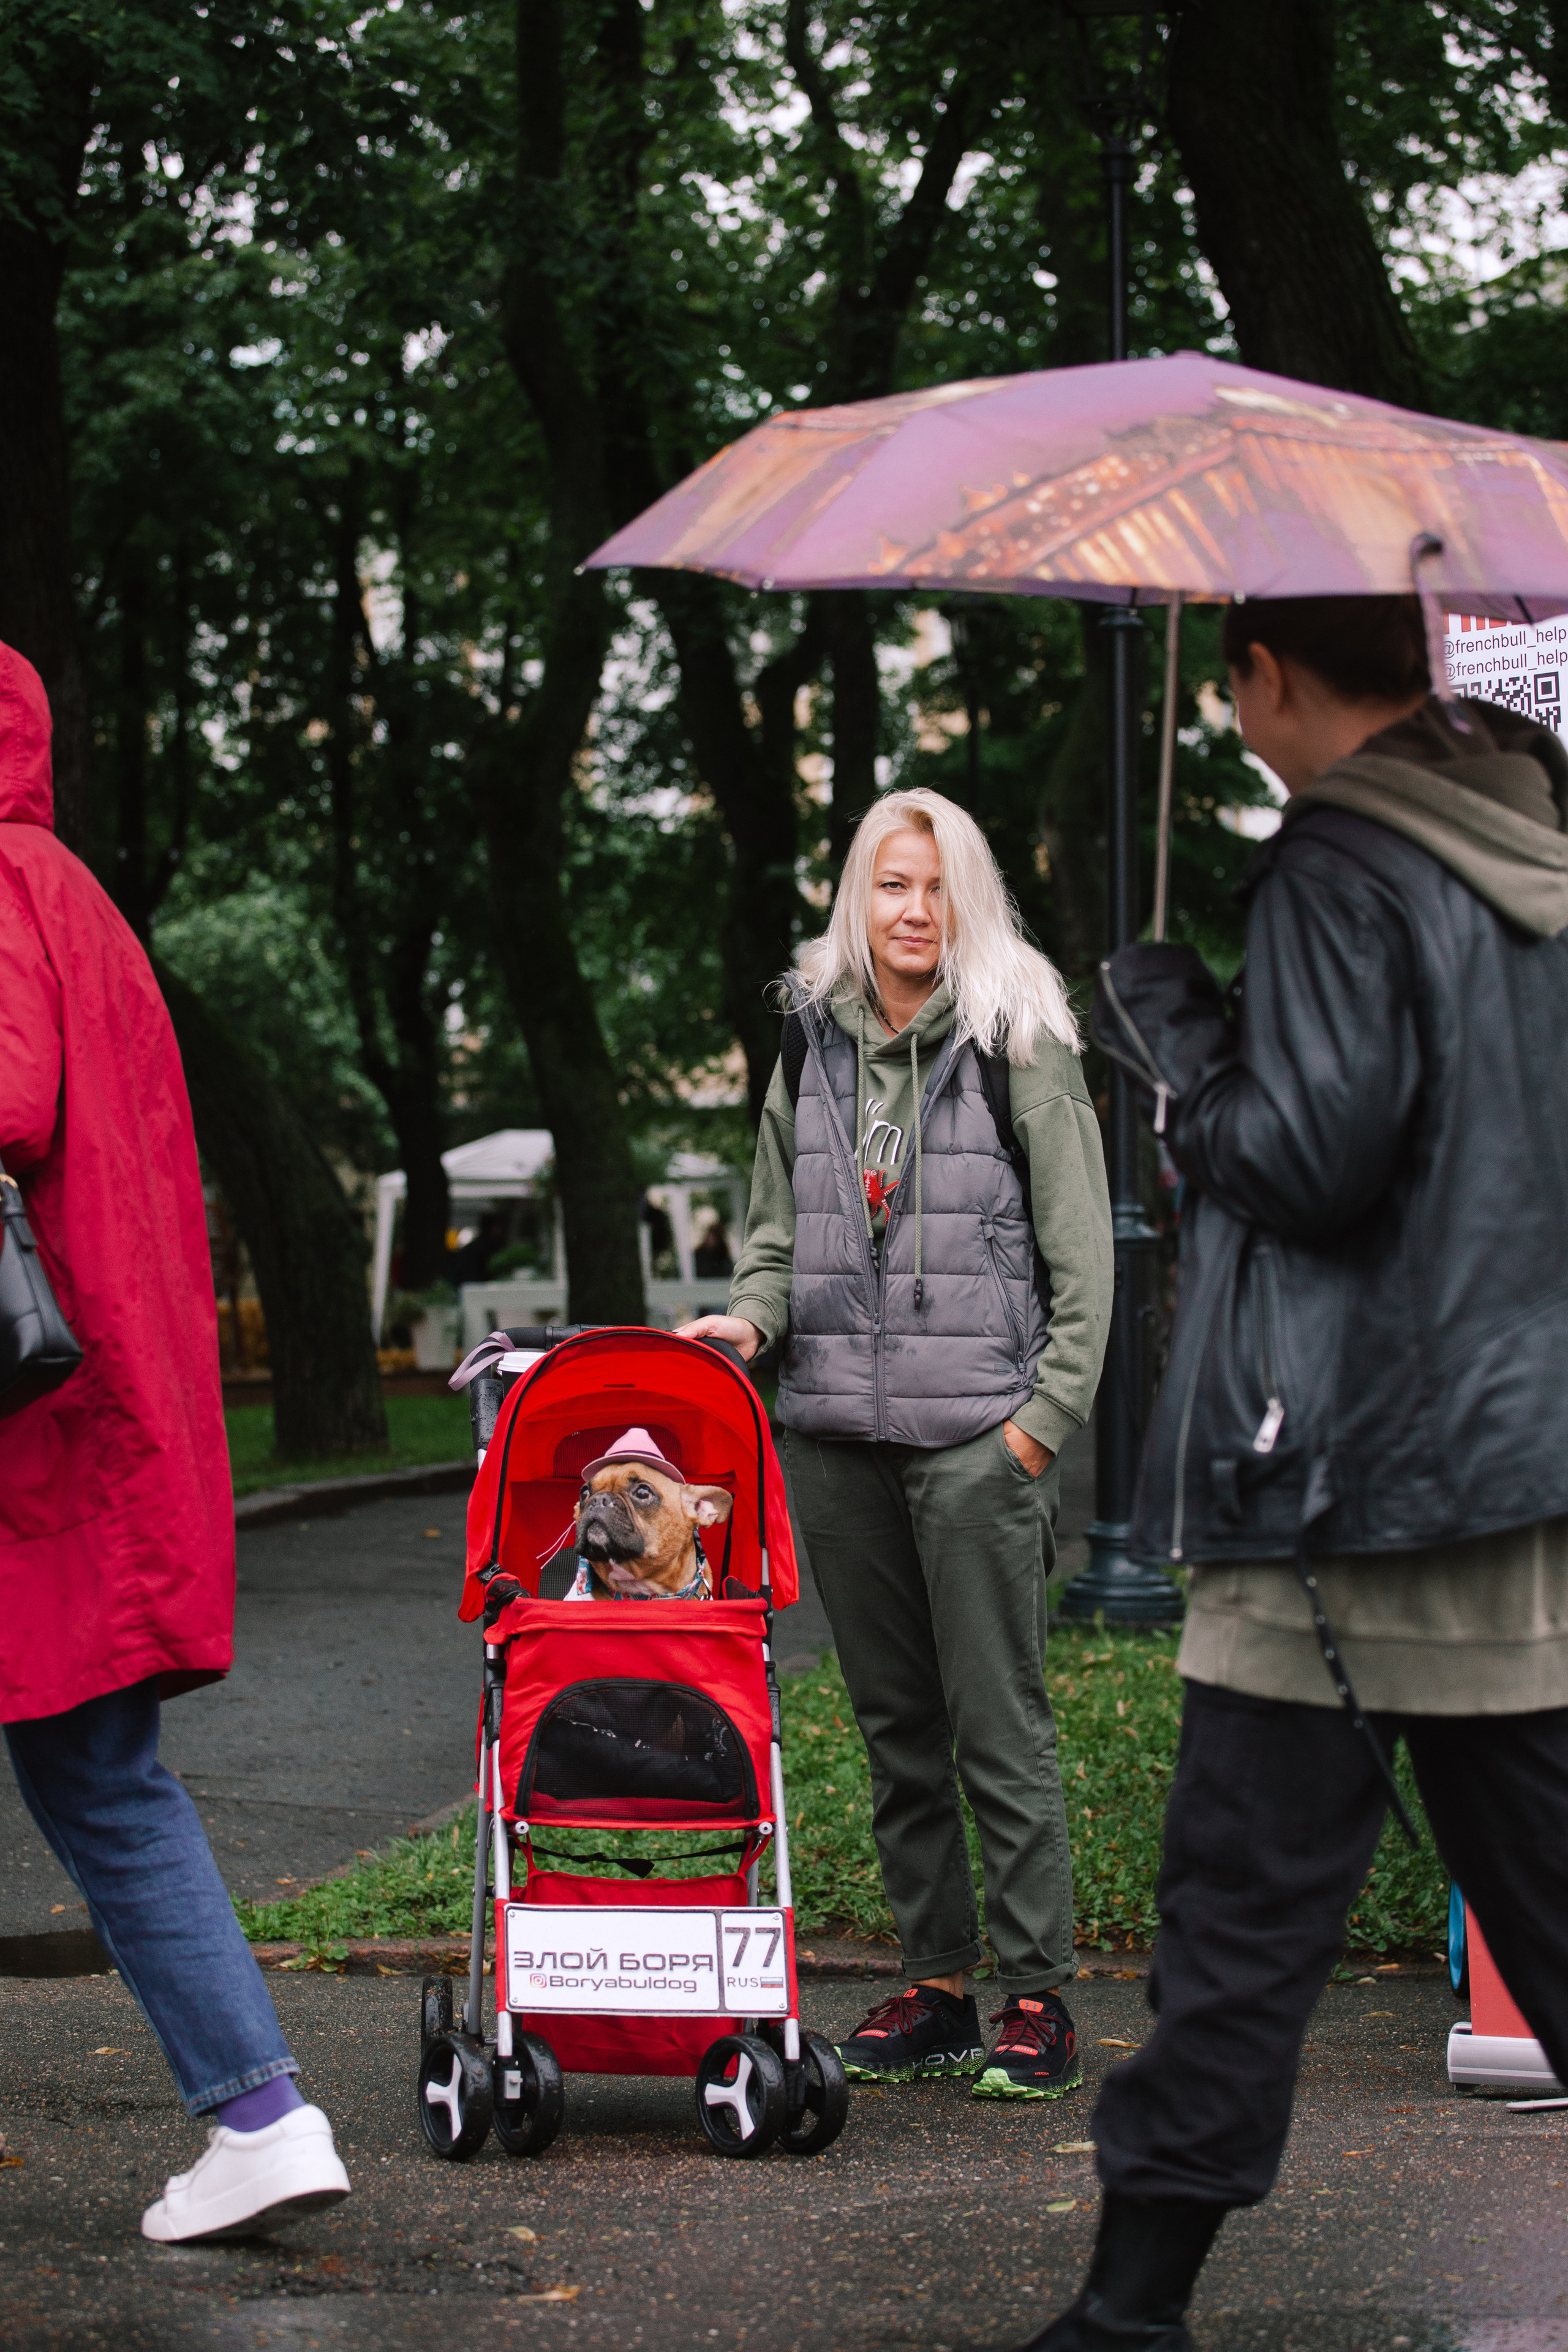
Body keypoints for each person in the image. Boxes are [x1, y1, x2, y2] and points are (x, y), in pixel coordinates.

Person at [1006, 594, 1568, 2352]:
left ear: (1266, 672)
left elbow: (1309, 1159)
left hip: (1333, 1481)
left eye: (1237, 691)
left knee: (1238, 1921)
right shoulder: (1534, 831)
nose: (1238, 724)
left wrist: (1179, 1039)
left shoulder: (1343, 855)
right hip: (1512, 1470)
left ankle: (1127, 2314)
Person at [680, 787, 1112, 2100]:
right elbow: (773, 1231)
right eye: (890, 885)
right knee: (895, 1731)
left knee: (998, 1727)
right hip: (832, 1436)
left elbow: (1081, 1259)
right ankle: (934, 1987)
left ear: (963, 899)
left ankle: (1035, 1997)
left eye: (935, 887)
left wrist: (1035, 1432)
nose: (912, 911)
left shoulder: (1012, 1033)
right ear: (854, 899)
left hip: (975, 1439)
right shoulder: (808, 1038)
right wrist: (747, 1329)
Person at [0, 646, 352, 2242]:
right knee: (104, 1778)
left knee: (103, 1778)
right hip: (93, 1423)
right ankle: (261, 2114)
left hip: (37, 1450)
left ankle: (264, 2113)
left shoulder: (3, 886)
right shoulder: (71, 890)